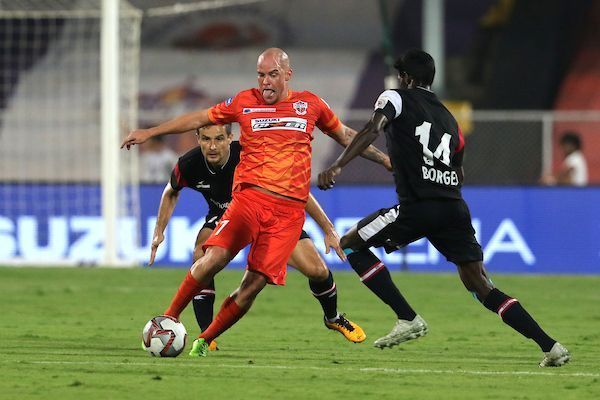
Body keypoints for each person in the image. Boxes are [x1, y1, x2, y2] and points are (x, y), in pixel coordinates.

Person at [121, 47, 391, 357]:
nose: (265, 82)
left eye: (272, 75)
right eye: (261, 75)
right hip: (249, 200)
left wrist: (383, 159)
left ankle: (205, 340)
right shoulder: (243, 102)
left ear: (287, 75)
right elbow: (198, 117)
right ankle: (170, 315)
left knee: (255, 284)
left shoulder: (310, 105)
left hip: (287, 215)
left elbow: (345, 134)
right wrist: (151, 132)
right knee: (213, 257)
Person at [318, 49, 570, 367]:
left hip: (418, 206)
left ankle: (407, 317)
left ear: (407, 78)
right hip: (453, 207)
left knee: (350, 245)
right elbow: (459, 170)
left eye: (400, 76)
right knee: (481, 285)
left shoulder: (394, 98)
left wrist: (338, 166)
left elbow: (371, 130)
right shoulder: (450, 120)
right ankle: (551, 346)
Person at [148, 124, 367, 349]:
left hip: (272, 217)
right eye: (206, 139)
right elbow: (170, 191)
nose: (212, 146)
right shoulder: (189, 164)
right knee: (202, 255)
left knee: (318, 271)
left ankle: (332, 318)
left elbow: (296, 189)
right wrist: (159, 231)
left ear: (230, 138)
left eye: (219, 139)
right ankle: (205, 334)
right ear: (198, 139)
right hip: (226, 216)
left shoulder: (250, 154)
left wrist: (328, 229)